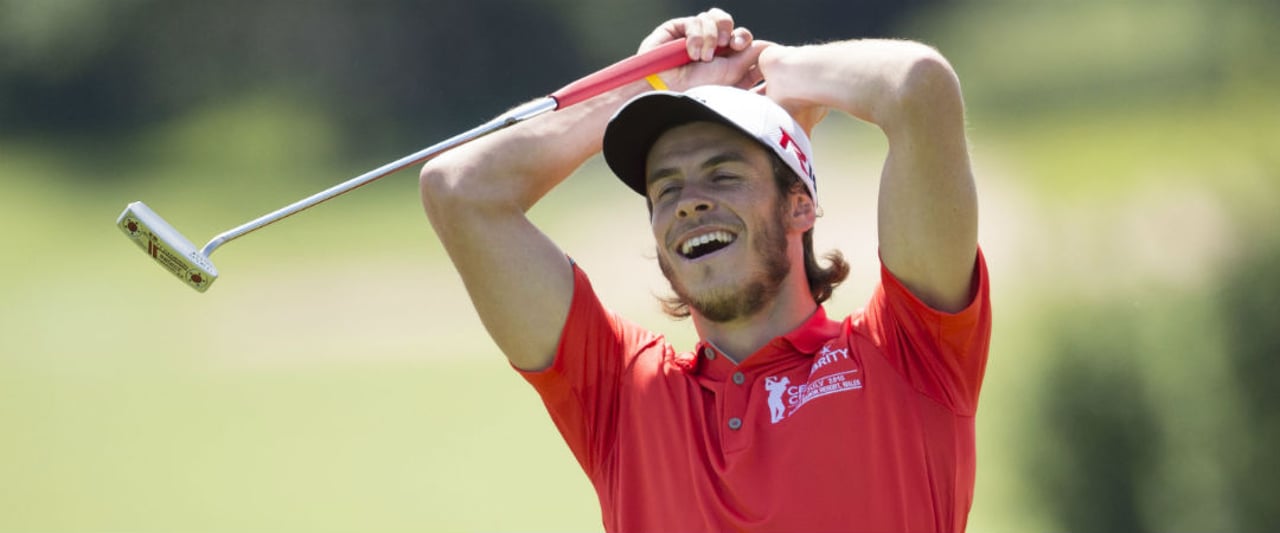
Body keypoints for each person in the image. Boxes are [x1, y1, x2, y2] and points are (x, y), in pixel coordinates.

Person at [419, 8, 990, 532]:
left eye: (723, 175)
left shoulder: (907, 353)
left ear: (799, 204)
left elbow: (918, 85)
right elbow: (459, 190)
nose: (689, 202)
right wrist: (640, 84)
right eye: (666, 189)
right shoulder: (622, 393)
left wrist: (778, 68)